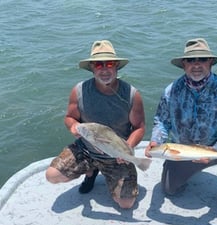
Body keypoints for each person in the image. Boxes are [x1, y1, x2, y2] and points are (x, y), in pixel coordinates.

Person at [145, 38, 217, 220]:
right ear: (183, 64)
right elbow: (162, 121)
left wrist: (214, 149)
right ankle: (179, 171)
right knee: (169, 190)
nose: (196, 65)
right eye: (191, 60)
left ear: (210, 62)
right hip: (183, 151)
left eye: (202, 59)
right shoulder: (171, 91)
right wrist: (156, 141)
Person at [46, 40, 146, 209]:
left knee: (126, 204)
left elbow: (139, 128)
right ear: (92, 68)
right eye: (99, 65)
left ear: (116, 67)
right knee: (52, 175)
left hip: (116, 155)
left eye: (109, 64)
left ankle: (107, 173)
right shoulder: (79, 91)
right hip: (86, 149)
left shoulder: (132, 95)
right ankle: (90, 171)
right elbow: (70, 117)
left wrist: (127, 148)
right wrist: (73, 126)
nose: (105, 69)